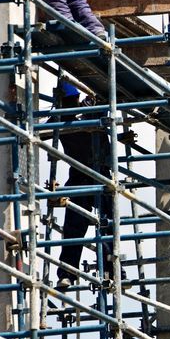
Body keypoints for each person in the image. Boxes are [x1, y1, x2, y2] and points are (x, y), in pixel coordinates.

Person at [53, 81, 113, 287]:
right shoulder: (75, 113)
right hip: (85, 176)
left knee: (99, 225)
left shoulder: (72, 114)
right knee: (83, 227)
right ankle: (69, 273)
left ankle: (109, 270)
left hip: (98, 175)